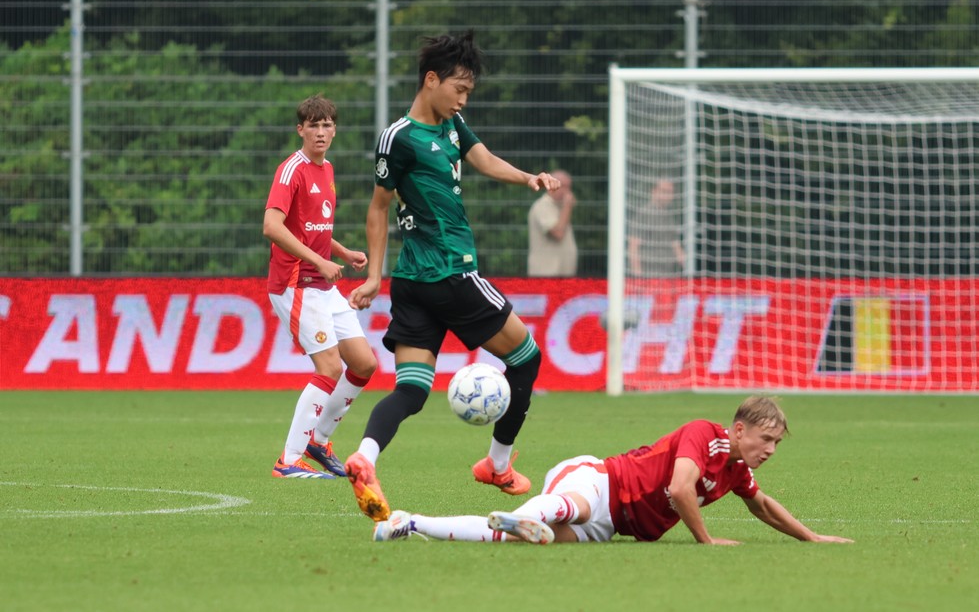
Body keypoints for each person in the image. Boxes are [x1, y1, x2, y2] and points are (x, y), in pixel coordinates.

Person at [345, 30, 560, 521]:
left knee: (412, 390)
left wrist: (527, 177)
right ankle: (497, 466)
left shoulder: (453, 123)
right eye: (459, 89)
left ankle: (365, 458)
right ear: (431, 79)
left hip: (414, 285)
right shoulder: (400, 138)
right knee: (527, 359)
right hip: (452, 274)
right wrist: (371, 275)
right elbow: (378, 208)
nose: (463, 98)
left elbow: (481, 159)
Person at [373, 396, 854, 545]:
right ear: (740, 429)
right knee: (571, 507)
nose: (770, 449)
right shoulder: (705, 433)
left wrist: (812, 538)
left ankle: (407, 523)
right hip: (600, 482)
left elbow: (764, 506)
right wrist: (707, 542)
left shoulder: (736, 472)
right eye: (765, 439)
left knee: (513, 540)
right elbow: (680, 489)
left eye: (776, 443)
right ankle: (528, 514)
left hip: (613, 527)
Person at [263, 94, 377, 479]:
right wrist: (319, 261)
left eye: (328, 125)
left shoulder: (326, 170)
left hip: (321, 282)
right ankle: (289, 460)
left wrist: (342, 252)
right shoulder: (291, 170)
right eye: (314, 125)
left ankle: (319, 439)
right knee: (328, 366)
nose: (321, 132)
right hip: (295, 283)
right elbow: (272, 227)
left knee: (363, 363)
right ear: (301, 129)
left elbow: (313, 229)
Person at [627, 178, 685, 276]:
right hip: (648, 275)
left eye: (670, 192)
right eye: (664, 191)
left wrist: (684, 264)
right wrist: (638, 275)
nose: (667, 195)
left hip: (668, 275)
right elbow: (633, 246)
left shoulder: (669, 216)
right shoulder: (644, 214)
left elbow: (676, 245)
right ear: (654, 191)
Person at [527, 169, 577, 276]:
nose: (567, 192)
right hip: (546, 274)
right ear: (551, 185)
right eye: (563, 186)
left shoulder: (559, 207)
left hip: (562, 275)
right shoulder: (542, 206)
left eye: (569, 187)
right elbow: (558, 233)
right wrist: (567, 206)